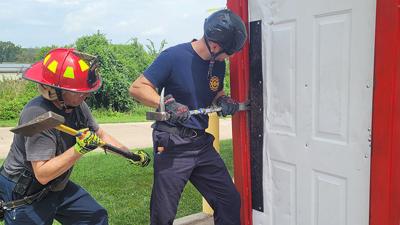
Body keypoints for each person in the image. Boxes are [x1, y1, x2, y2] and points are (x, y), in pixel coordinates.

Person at [0, 48, 148, 225]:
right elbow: (42, 174)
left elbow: (99, 134)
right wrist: (79, 149)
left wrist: (129, 155)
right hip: (25, 191)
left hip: (56, 184)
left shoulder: (77, 105)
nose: (86, 95)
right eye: (79, 91)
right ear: (56, 90)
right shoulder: (37, 114)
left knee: (95, 217)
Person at [129, 9, 247, 225]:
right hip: (173, 143)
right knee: (163, 214)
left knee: (228, 200)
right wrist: (166, 103)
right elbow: (138, 87)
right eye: (228, 53)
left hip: (201, 143)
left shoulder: (217, 64)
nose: (228, 58)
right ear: (214, 46)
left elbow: (215, 94)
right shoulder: (173, 56)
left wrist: (223, 101)